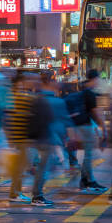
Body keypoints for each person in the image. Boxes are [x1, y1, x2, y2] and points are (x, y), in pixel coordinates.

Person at [31, 73, 70, 206]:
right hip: (48, 139)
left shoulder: (36, 98)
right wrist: (66, 138)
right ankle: (37, 196)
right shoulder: (56, 101)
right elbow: (61, 122)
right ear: (50, 83)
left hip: (38, 138)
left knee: (43, 167)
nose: (57, 84)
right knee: (44, 168)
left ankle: (37, 194)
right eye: (55, 81)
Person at [66, 69, 108, 193]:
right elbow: (95, 113)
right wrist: (103, 128)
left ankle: (85, 180)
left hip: (79, 126)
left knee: (88, 155)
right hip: (85, 127)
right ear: (95, 79)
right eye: (98, 80)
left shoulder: (82, 91)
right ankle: (89, 181)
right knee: (89, 155)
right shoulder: (90, 94)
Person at [5, 71, 36, 203]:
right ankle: (15, 193)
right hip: (21, 138)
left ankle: (16, 192)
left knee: (19, 168)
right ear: (20, 83)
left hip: (17, 138)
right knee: (19, 168)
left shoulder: (12, 97)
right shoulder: (22, 97)